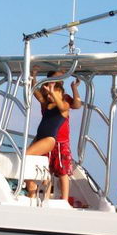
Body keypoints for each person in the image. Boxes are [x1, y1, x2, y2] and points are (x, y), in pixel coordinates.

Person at [32, 69, 82, 201]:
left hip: (60, 141)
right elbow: (35, 92)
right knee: (45, 169)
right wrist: (34, 76)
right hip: (45, 140)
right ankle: (45, 196)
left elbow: (76, 105)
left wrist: (74, 88)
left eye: (61, 78)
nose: (59, 79)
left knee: (62, 171)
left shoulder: (63, 100)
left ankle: (64, 200)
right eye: (55, 78)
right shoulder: (46, 101)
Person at [24, 71, 71, 197]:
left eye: (54, 93)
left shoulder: (65, 106)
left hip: (49, 140)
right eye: (49, 93)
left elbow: (61, 105)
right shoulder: (46, 105)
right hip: (40, 138)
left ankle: (33, 189)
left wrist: (52, 91)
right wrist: (33, 77)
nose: (50, 95)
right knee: (29, 161)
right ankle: (36, 193)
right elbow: (36, 92)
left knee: (26, 157)